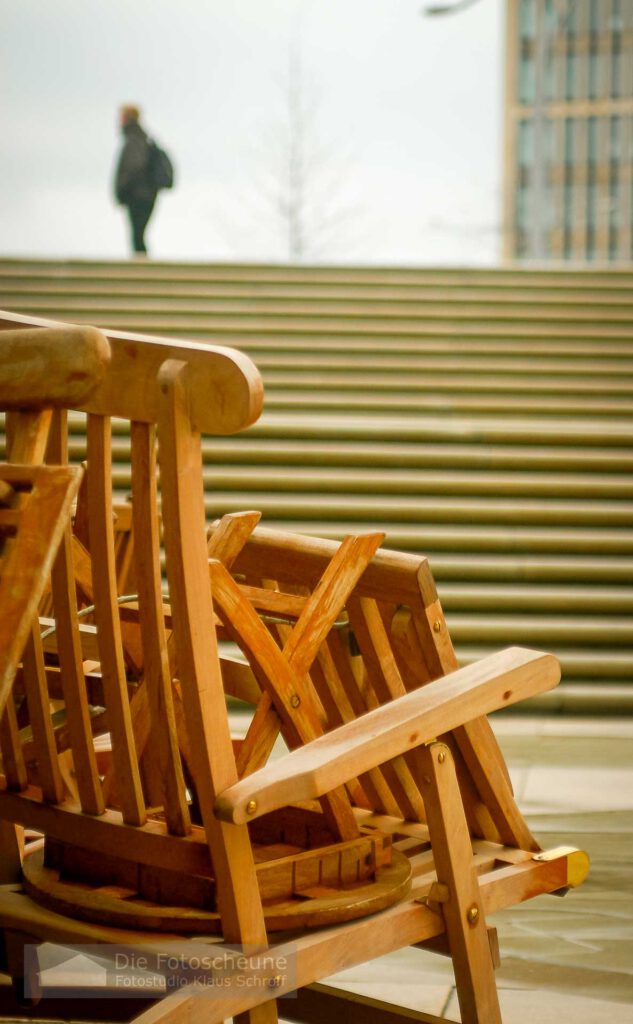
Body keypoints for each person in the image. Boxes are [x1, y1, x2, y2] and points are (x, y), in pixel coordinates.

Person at [114, 105, 158, 256]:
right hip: (146, 194)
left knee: (137, 235)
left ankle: (143, 268)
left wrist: (123, 189)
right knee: (138, 234)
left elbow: (134, 166)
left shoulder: (134, 139)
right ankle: (142, 265)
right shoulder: (143, 138)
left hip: (138, 195)